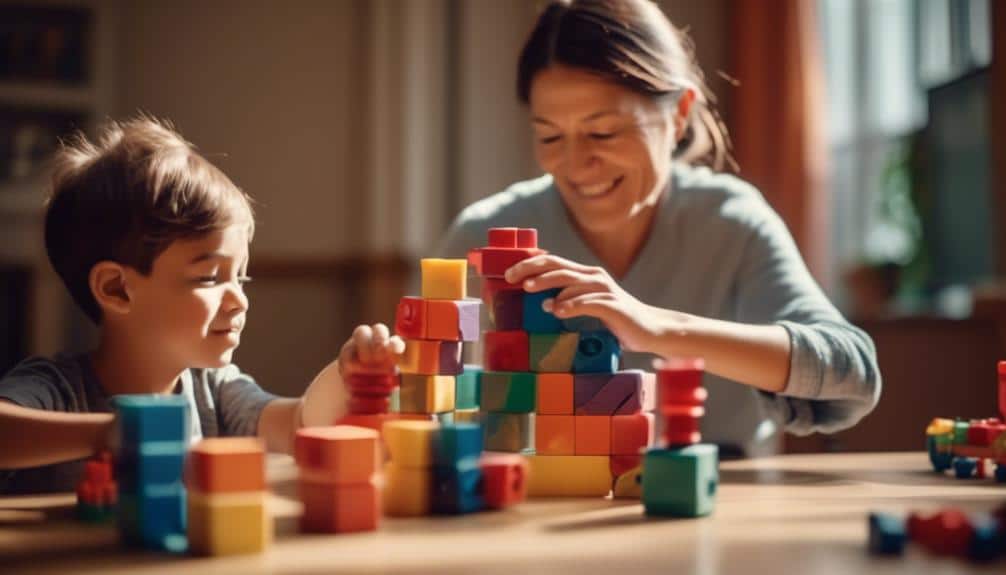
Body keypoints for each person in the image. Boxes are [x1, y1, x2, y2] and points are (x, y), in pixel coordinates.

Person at [437, 0, 880, 456]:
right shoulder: (483, 235)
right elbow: (427, 403)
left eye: (604, 131)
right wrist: (376, 375)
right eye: (549, 136)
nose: (574, 164)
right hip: (538, 505)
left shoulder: (730, 222)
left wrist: (658, 328)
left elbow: (855, 372)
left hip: (721, 500)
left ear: (679, 114)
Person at [0, 116, 400, 493]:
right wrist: (110, 433)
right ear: (116, 290)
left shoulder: (216, 392)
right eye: (210, 277)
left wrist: (351, 376)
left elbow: (298, 425)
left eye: (240, 276)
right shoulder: (58, 390)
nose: (238, 299)